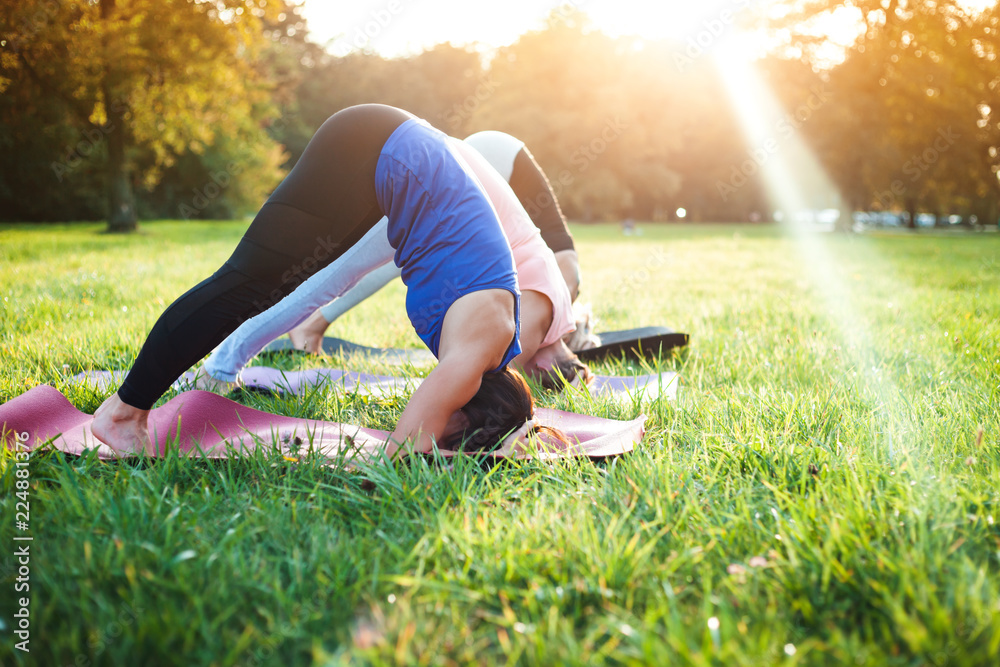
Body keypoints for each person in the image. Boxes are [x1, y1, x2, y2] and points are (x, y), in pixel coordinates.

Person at [91, 104, 567, 458]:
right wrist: (489, 452)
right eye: (456, 431)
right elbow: (403, 451)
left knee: (269, 283)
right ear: (467, 412)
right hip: (375, 146)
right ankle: (123, 412)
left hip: (387, 146)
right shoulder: (476, 354)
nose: (444, 426)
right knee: (247, 286)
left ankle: (131, 405)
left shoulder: (492, 338)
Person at [196, 132, 591, 395]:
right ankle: (221, 366)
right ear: (547, 365)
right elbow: (487, 380)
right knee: (325, 277)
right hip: (429, 186)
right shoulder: (540, 316)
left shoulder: (551, 304)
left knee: (316, 268)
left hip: (434, 174)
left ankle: (223, 350)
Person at [284, 130, 583, 354]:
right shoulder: (561, 285)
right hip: (498, 157)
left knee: (401, 243)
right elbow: (561, 285)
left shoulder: (548, 285)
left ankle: (308, 317)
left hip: (487, 156)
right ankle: (311, 322)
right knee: (401, 245)